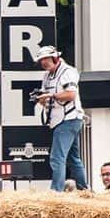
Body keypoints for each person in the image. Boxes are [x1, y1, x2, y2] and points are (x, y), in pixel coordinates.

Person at [34, 46, 89, 192]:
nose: (43, 63)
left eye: (46, 59)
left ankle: (56, 192)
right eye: (41, 60)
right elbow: (46, 98)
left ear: (55, 58)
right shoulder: (46, 76)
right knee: (73, 159)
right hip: (60, 120)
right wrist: (41, 99)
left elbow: (70, 95)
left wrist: (51, 96)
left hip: (69, 119)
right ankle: (84, 190)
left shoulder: (68, 71)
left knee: (57, 158)